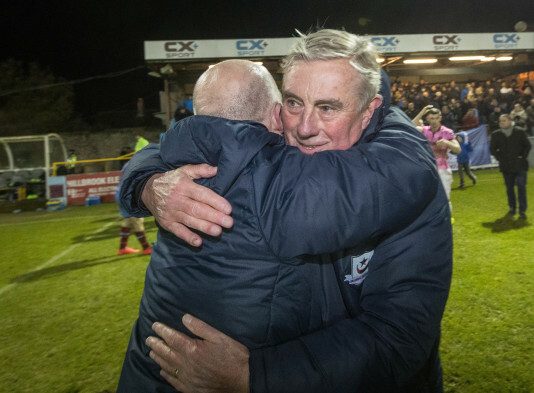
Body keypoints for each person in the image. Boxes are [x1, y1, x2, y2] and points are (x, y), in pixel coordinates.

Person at [117, 29, 452, 393]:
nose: (305, 128)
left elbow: (398, 337)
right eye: (294, 103)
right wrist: (148, 186)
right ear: (277, 111)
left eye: (327, 108)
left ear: (369, 110)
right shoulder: (272, 158)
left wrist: (255, 375)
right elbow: (204, 135)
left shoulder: (407, 190)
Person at [413, 106, 461, 212]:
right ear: (427, 119)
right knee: (428, 199)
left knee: (445, 198)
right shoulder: (424, 130)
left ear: (440, 118)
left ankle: (447, 222)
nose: (434, 121)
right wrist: (422, 111)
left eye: (436, 118)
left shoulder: (448, 132)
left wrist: (447, 142)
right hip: (428, 169)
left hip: (443, 169)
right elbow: (410, 125)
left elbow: (458, 149)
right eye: (431, 118)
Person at [490, 114, 531, 220]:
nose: (501, 123)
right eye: (500, 121)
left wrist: (522, 157)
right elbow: (492, 149)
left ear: (510, 121)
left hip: (520, 165)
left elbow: (528, 146)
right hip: (506, 166)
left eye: (503, 121)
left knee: (521, 186)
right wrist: (500, 158)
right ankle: (512, 207)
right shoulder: (496, 134)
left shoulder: (520, 132)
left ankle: (522, 210)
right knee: (509, 188)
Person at [116, 164, 152, 256]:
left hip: (119, 193)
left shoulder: (128, 164)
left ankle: (122, 248)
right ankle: (146, 247)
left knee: (127, 220)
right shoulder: (139, 163)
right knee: (137, 220)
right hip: (129, 195)